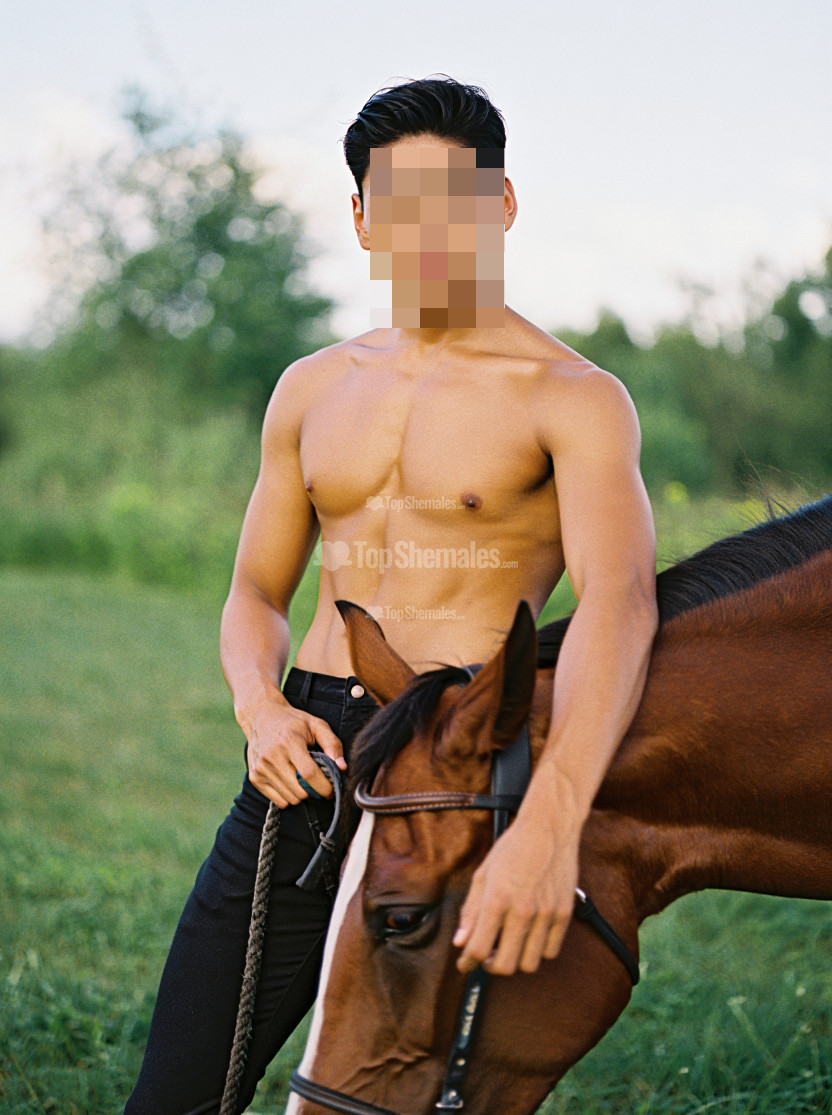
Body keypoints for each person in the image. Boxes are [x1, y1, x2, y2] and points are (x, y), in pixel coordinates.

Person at [124, 75, 659, 1114]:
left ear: (499, 205)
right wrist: (260, 706)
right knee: (181, 1089)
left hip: (454, 767)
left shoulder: (574, 398)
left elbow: (620, 606)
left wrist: (550, 826)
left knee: (398, 1095)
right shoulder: (313, 386)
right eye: (396, 206)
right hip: (307, 757)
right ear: (363, 219)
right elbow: (256, 591)